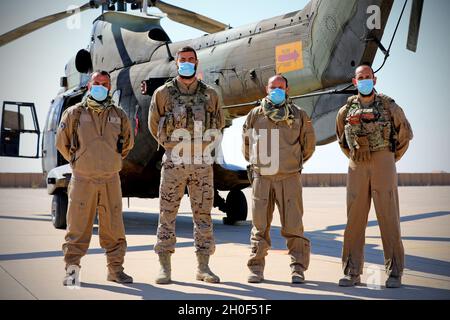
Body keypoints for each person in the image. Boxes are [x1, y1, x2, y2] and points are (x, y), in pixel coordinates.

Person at [148, 46, 225, 284]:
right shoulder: (163, 93)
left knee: (203, 215)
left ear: (197, 62)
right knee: (167, 214)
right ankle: (164, 267)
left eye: (191, 60)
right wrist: (171, 147)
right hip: (174, 162)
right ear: (177, 63)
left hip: (202, 163)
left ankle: (203, 267)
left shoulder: (211, 94)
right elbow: (154, 125)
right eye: (183, 60)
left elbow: (219, 123)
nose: (187, 63)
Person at [335, 64, 413, 288]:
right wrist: (356, 156)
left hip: (383, 161)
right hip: (357, 164)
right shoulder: (346, 111)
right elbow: (342, 139)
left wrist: (388, 159)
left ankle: (395, 272)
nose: (365, 80)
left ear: (374, 80)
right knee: (354, 220)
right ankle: (352, 272)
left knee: (388, 217)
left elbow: (404, 135)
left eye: (368, 77)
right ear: (355, 81)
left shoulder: (389, 106)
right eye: (361, 77)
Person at [56, 71, 134, 285]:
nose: (101, 86)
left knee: (114, 228)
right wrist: (79, 161)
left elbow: (127, 143)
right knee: (77, 228)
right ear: (90, 86)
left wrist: (110, 160)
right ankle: (72, 272)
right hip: (83, 180)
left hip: (111, 180)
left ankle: (116, 271)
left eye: (105, 84)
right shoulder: (74, 113)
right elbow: (62, 143)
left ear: (109, 87)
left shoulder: (119, 114)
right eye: (97, 83)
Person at [242, 74, 316, 284]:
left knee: (293, 226)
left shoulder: (299, 115)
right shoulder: (255, 115)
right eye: (273, 87)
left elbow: (308, 145)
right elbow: (247, 144)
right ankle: (256, 268)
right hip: (262, 179)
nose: (276, 90)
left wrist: (291, 164)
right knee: (259, 226)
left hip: (289, 178)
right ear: (267, 89)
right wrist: (258, 165)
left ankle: (298, 269)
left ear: (287, 89)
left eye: (280, 87)